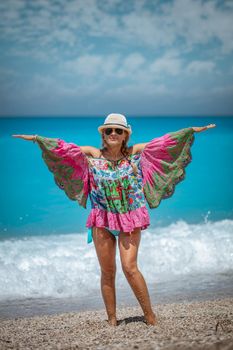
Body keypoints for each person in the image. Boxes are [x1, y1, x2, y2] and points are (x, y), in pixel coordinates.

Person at [12, 113, 216, 326]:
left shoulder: (135, 153)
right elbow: (63, 150)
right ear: (103, 134)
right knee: (107, 271)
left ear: (125, 134)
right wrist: (37, 138)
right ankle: (111, 320)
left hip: (129, 220)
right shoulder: (93, 154)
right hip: (102, 220)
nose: (113, 133)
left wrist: (190, 131)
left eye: (118, 130)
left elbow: (164, 144)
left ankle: (150, 316)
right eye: (108, 130)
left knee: (130, 268)